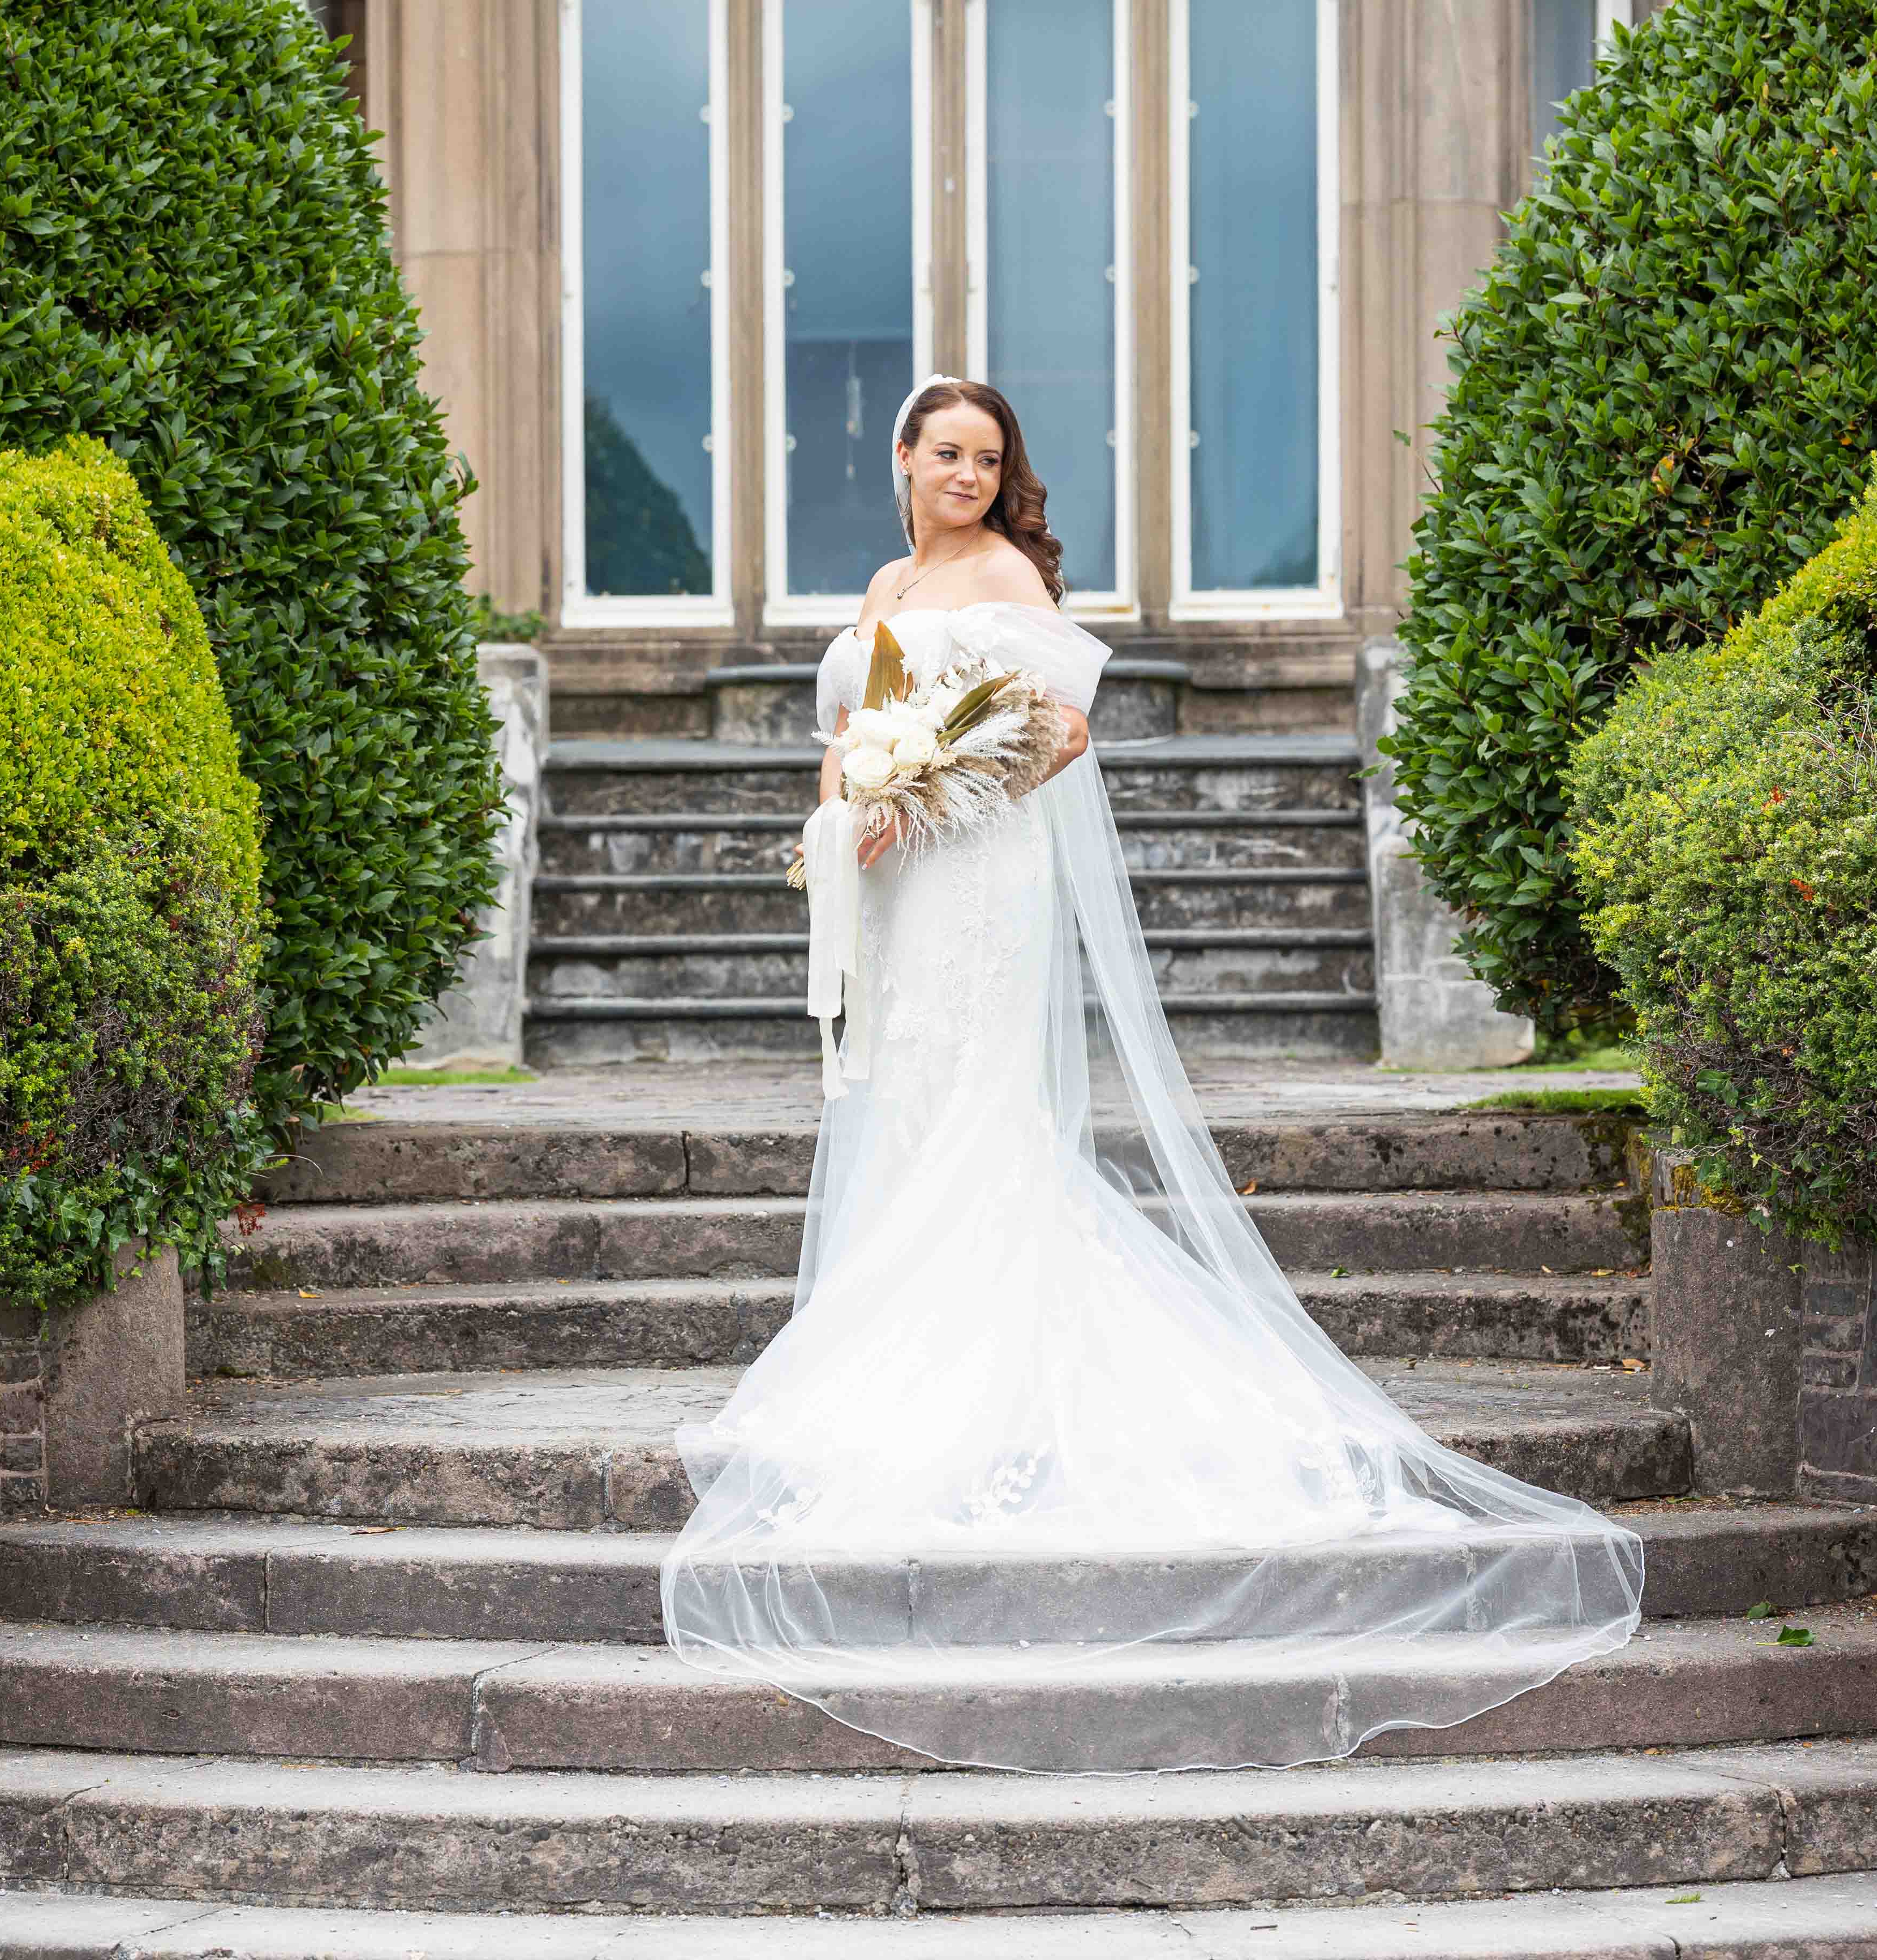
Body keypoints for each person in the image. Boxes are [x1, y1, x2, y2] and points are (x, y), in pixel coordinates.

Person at [658, 375, 1644, 1774]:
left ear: (1005, 477)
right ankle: (902, 1366)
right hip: (892, 892)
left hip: (976, 884)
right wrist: (851, 812)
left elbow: (1059, 736)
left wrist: (925, 794)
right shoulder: (886, 578)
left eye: (987, 458)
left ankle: (984, 1396)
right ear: (900, 455)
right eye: (946, 452)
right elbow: (856, 736)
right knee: (912, 1111)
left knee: (980, 1121)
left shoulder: (1006, 575)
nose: (966, 475)